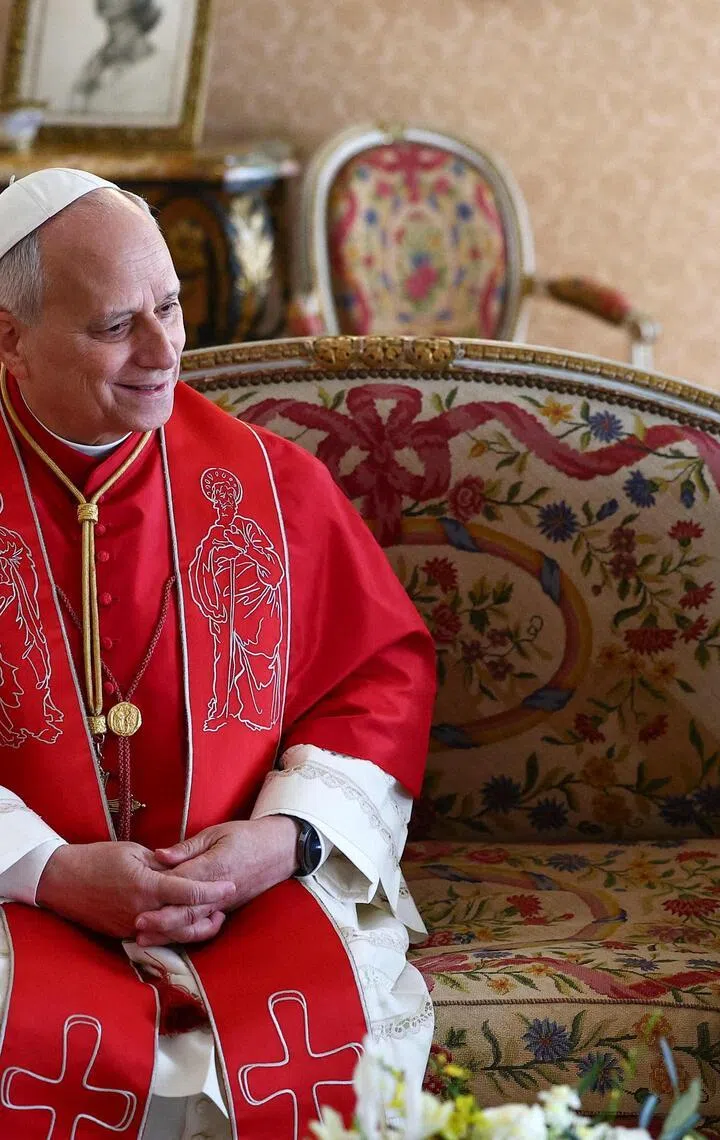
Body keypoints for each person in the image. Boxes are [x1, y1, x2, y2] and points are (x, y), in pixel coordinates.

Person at [0, 168, 436, 1138]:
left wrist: (286, 838)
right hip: (18, 903)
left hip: (249, 900)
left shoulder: (271, 488)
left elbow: (377, 680)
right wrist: (46, 868)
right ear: (9, 338)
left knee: (338, 1042)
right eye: (117, 326)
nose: (163, 353)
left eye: (171, 308)